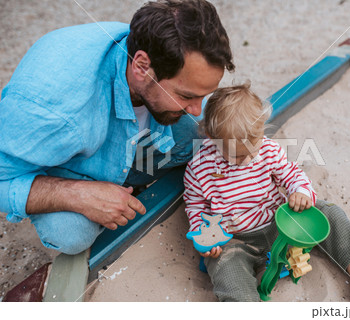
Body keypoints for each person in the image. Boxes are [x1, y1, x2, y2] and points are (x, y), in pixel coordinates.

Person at [0, 0, 234, 255]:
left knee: (220, 128)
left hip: (128, 141)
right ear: (142, 67)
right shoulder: (52, 110)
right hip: (67, 167)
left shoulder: (154, 51)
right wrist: (78, 194)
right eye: (186, 96)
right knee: (71, 232)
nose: (196, 109)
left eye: (203, 95)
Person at [183, 83, 350, 302]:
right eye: (236, 155)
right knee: (224, 266)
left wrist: (300, 192)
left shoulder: (266, 149)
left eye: (251, 149)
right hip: (235, 238)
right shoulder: (199, 167)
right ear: (211, 137)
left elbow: (291, 174)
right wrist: (209, 237)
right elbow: (195, 207)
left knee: (327, 213)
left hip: (281, 224)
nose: (246, 160)